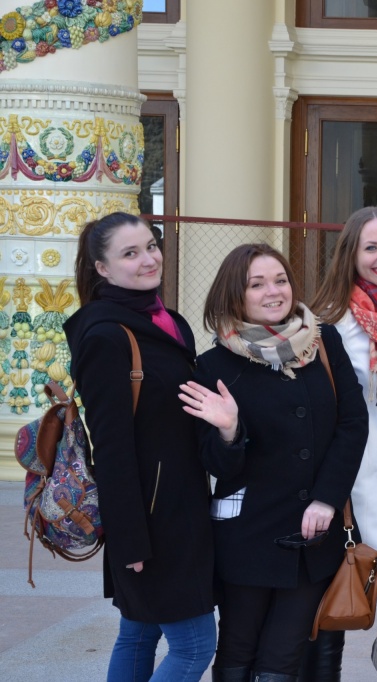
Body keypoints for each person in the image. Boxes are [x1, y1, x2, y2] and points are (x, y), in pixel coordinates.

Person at [178, 243, 368, 682]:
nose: (274, 292)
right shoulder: (212, 366)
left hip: (312, 533)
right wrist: (229, 430)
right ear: (234, 294)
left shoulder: (322, 341)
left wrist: (326, 498)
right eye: (257, 284)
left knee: (283, 656)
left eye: (280, 280)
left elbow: (353, 424)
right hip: (247, 536)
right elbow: (216, 465)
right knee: (238, 649)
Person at [64, 212, 216, 681]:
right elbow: (110, 447)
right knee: (194, 647)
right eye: (130, 253)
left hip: (183, 505)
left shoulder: (170, 322)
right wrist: (129, 537)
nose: (149, 259)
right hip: (151, 521)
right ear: (102, 268)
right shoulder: (105, 336)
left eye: (151, 246)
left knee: (139, 632)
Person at [300, 207, 377, 681]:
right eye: (371, 247)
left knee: (351, 598)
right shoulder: (327, 322)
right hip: (342, 483)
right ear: (350, 253)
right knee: (325, 610)